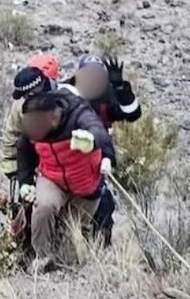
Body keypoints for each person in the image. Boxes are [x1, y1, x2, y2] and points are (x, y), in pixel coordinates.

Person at [16, 90, 115, 273]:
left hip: (86, 183)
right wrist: (25, 182)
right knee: (44, 207)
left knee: (74, 232)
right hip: (52, 177)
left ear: (53, 117)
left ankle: (71, 264)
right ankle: (42, 257)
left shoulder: (79, 113)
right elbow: (23, 150)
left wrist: (93, 141)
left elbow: (99, 131)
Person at [64, 54, 140, 246]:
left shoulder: (107, 95)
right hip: (68, 157)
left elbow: (132, 114)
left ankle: (100, 247)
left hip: (99, 157)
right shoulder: (66, 91)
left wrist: (121, 88)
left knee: (104, 203)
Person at [0, 56, 74, 179]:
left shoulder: (69, 97)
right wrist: (11, 166)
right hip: (38, 160)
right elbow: (13, 134)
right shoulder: (20, 106)